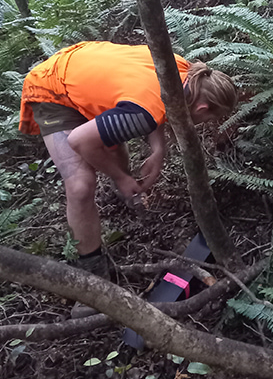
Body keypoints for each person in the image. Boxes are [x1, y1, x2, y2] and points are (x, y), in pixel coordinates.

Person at [19, 41, 237, 316]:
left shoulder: (182, 71)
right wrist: (121, 178)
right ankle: (92, 284)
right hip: (53, 87)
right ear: (203, 108)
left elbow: (152, 102)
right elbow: (81, 141)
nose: (205, 124)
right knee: (80, 185)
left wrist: (158, 149)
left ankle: (122, 205)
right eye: (208, 119)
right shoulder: (148, 107)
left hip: (84, 70)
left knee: (113, 145)